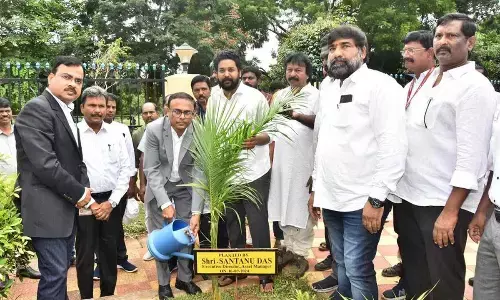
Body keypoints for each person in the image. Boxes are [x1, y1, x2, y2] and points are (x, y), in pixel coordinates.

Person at [393, 13, 496, 299]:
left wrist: (450, 213)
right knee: (415, 273)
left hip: (442, 201)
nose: (443, 42)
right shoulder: (427, 79)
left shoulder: (475, 87)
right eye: (439, 36)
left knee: (443, 280)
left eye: (452, 36)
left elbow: (472, 157)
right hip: (410, 196)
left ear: (470, 42)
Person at [311, 26, 407, 300]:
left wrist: (377, 200)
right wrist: (316, 189)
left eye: (345, 46)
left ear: (363, 52)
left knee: (356, 266)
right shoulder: (327, 86)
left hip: (363, 198)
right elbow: (322, 141)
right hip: (331, 195)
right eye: (332, 48)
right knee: (340, 261)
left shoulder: (381, 85)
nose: (337, 53)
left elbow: (393, 145)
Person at [192, 50, 274, 292]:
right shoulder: (214, 98)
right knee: (233, 223)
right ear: (215, 73)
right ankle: (236, 268)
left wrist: (257, 139)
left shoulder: (254, 97)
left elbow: (270, 132)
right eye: (222, 70)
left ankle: (264, 275)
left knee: (258, 223)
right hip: (227, 172)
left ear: (239, 71)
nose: (226, 74)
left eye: (231, 70)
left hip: (254, 171)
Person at [14, 56, 92, 300]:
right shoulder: (37, 108)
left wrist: (83, 187)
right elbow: (45, 165)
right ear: (51, 77)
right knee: (55, 273)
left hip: (62, 209)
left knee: (58, 273)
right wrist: (80, 193)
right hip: (46, 210)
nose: (73, 84)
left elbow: (73, 160)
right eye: (66, 77)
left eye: (78, 80)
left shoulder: (62, 109)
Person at [381, 30, 436, 300]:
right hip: (404, 183)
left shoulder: (440, 85)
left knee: (430, 247)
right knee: (408, 241)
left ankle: (425, 290)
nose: (406, 55)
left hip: (431, 186)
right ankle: (410, 286)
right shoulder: (408, 87)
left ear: (431, 53)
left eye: (412, 50)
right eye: (405, 50)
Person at [143, 92, 202, 299]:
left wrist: (196, 212)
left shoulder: (199, 131)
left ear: (193, 114)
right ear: (167, 111)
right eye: (177, 111)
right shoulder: (153, 130)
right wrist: (164, 203)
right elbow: (151, 169)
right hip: (160, 185)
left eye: (187, 112)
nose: (182, 117)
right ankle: (163, 284)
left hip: (187, 185)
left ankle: (184, 279)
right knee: (161, 237)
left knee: (188, 232)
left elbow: (200, 172)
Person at [75, 86, 131, 299]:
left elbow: (125, 170)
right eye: (92, 105)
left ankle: (108, 294)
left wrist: (111, 202)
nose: (98, 110)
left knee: (109, 253)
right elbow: (70, 170)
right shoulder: (74, 134)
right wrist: (90, 203)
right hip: (83, 201)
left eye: (102, 106)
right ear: (82, 107)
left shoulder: (116, 134)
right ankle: (86, 296)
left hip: (111, 202)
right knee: (85, 254)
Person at [268, 52, 318, 279]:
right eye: (289, 70)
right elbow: (271, 129)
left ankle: (300, 254)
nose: (293, 74)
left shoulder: (316, 96)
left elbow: (321, 126)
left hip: (304, 163)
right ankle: (287, 248)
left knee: (301, 208)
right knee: (283, 205)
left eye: (298, 70)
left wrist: (297, 115)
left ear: (307, 73)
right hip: (281, 161)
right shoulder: (280, 97)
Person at [93, 93, 138, 279]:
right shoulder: (87, 129)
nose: (109, 110)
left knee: (116, 225)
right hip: (95, 188)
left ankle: (121, 258)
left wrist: (131, 183)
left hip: (117, 187)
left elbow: (129, 156)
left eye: (112, 107)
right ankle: (100, 263)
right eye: (107, 106)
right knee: (96, 228)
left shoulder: (122, 129)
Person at [0, 97, 42, 280]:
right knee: (3, 231)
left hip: (23, 188)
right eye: (1, 111)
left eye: (7, 110)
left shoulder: (21, 130)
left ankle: (22, 265)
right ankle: (2, 273)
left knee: (22, 228)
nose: (5, 114)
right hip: (2, 192)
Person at [131, 102, 159, 261]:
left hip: (166, 182)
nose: (149, 116)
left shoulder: (167, 127)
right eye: (145, 113)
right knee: (150, 216)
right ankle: (152, 247)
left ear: (158, 112)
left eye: (152, 112)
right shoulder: (137, 134)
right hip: (148, 182)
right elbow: (138, 160)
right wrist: (139, 184)